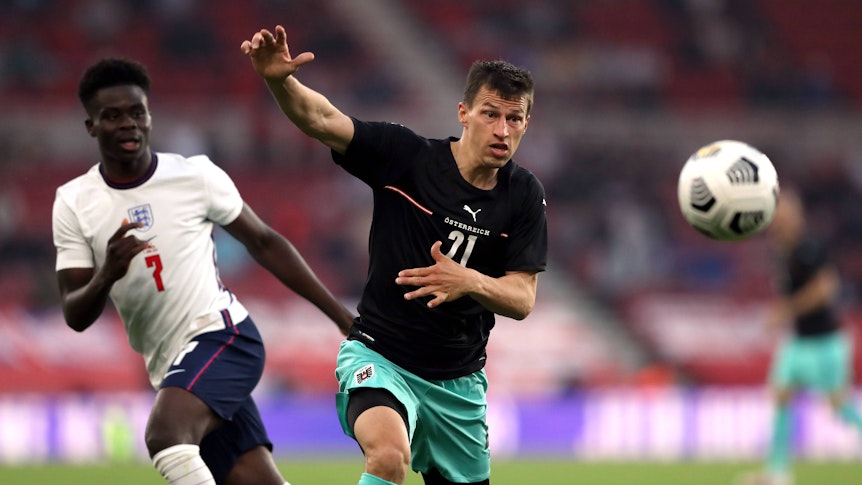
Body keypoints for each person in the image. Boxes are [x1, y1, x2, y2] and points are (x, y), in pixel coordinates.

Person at [241, 25, 548, 485]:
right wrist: (279, 81)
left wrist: (468, 281)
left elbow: (523, 298)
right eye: (490, 114)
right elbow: (323, 120)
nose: (502, 130)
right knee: (388, 459)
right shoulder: (406, 157)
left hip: (457, 382)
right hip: (381, 357)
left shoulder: (523, 195)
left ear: (526, 122)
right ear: (464, 113)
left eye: (515, 118)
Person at [52, 58, 355, 485]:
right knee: (255, 479)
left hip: (223, 336)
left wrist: (341, 316)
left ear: (149, 117)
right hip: (171, 369)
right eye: (113, 116)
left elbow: (265, 242)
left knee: (166, 437)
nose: (128, 124)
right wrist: (107, 274)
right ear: (91, 126)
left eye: (137, 113)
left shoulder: (194, 175)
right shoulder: (73, 202)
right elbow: (74, 313)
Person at [738, 187, 862, 485]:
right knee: (781, 396)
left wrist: (786, 310)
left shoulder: (810, 248)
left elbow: (826, 288)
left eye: (784, 212)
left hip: (824, 340)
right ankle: (777, 472)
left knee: (838, 404)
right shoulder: (781, 252)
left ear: (797, 217)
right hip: (798, 341)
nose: (778, 218)